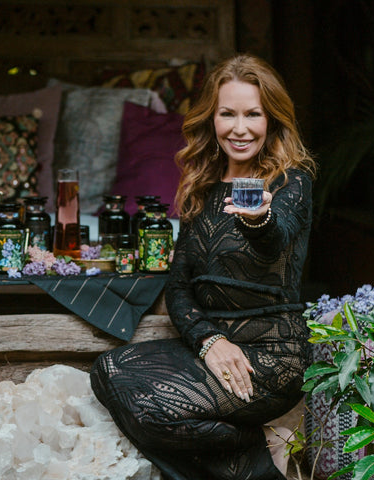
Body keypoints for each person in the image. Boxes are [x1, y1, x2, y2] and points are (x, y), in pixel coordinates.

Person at [90, 53, 316, 480]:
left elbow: (276, 240)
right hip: (216, 349)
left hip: (272, 357)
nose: (240, 128)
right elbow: (179, 287)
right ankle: (248, 457)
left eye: (253, 114)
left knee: (151, 411)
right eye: (227, 114)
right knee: (108, 372)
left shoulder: (291, 182)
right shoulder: (202, 186)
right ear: (212, 119)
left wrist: (259, 220)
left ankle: (246, 463)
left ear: (272, 120)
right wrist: (209, 341)